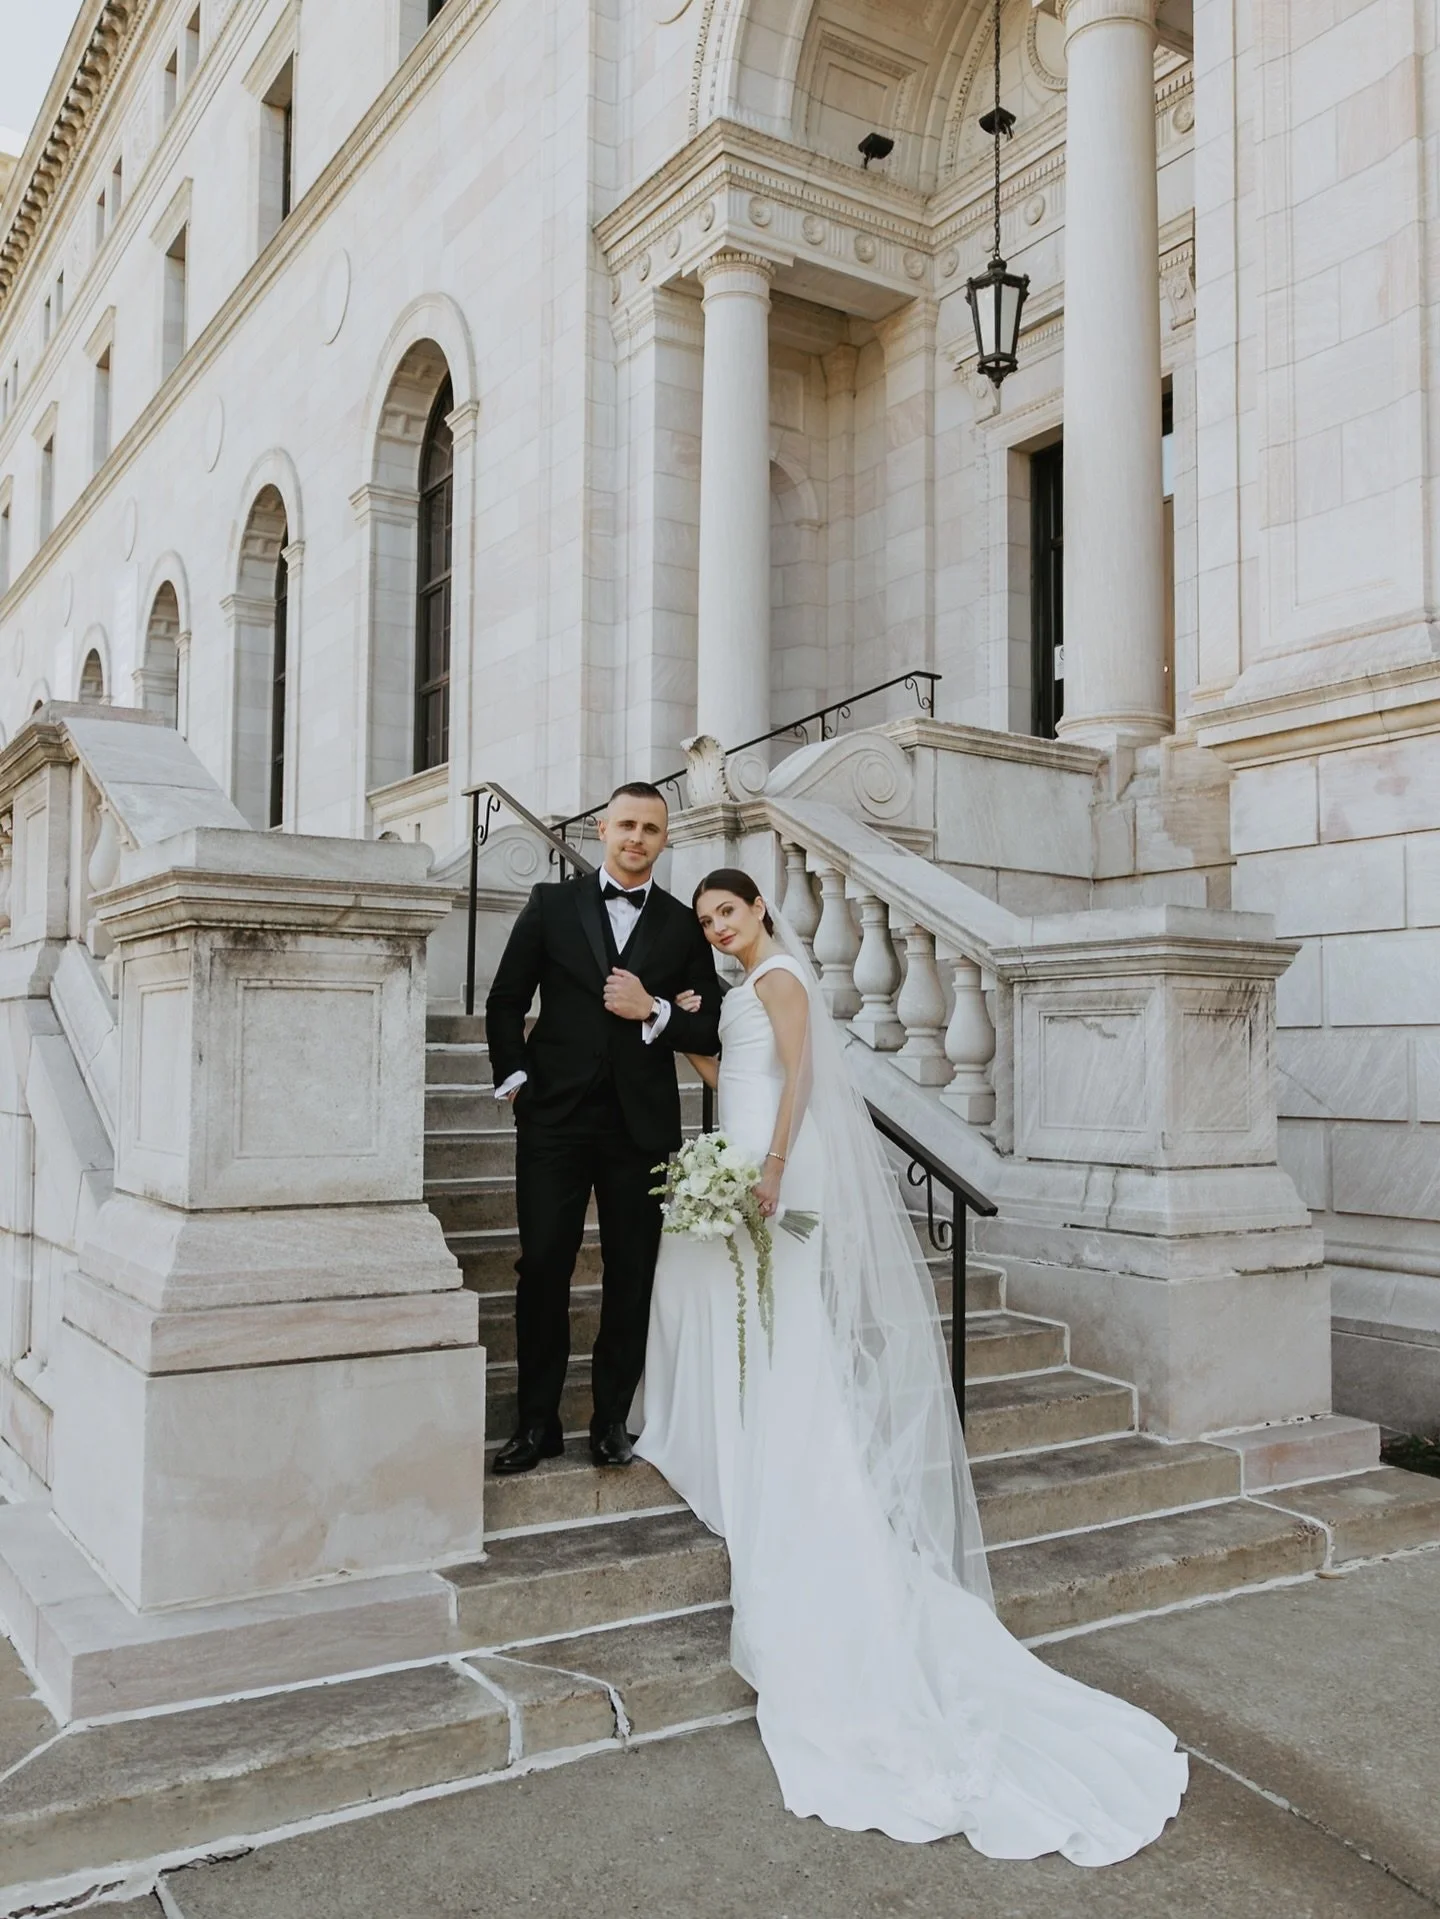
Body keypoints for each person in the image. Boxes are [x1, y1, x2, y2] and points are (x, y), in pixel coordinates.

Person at [636, 868, 1189, 1864]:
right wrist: (692, 1055)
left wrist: (765, 1168)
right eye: (708, 917)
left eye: (730, 911)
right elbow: (738, 1077)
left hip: (773, 1165)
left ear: (761, 907)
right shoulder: (732, 990)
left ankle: (774, 1446)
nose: (718, 927)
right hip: (735, 1148)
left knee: (774, 1313)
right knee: (715, 1304)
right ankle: (725, 1424)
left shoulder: (786, 978)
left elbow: (800, 1077)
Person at [484, 784, 721, 1474]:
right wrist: (516, 1077)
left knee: (632, 1273)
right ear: (600, 828)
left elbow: (710, 1025)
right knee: (544, 1266)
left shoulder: (681, 925)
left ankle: (611, 1418)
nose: (637, 837)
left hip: (639, 1126)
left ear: (664, 838)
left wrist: (654, 1009)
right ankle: (537, 1423)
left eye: (651, 828)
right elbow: (505, 999)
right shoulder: (550, 905)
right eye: (626, 824)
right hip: (554, 1119)